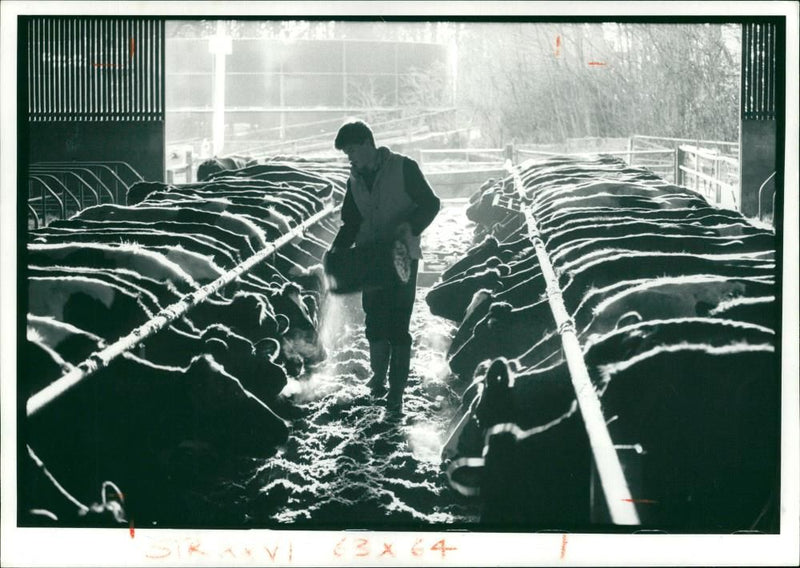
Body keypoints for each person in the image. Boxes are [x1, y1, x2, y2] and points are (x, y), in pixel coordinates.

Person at [328, 119, 440, 413]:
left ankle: (397, 392)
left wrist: (410, 227)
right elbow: (351, 222)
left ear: (368, 143)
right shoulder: (354, 180)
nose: (349, 157)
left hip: (401, 257)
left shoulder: (404, 167)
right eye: (346, 153)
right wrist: (336, 249)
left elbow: (431, 203)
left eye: (352, 150)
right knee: (374, 319)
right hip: (370, 259)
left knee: (398, 322)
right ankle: (378, 379)